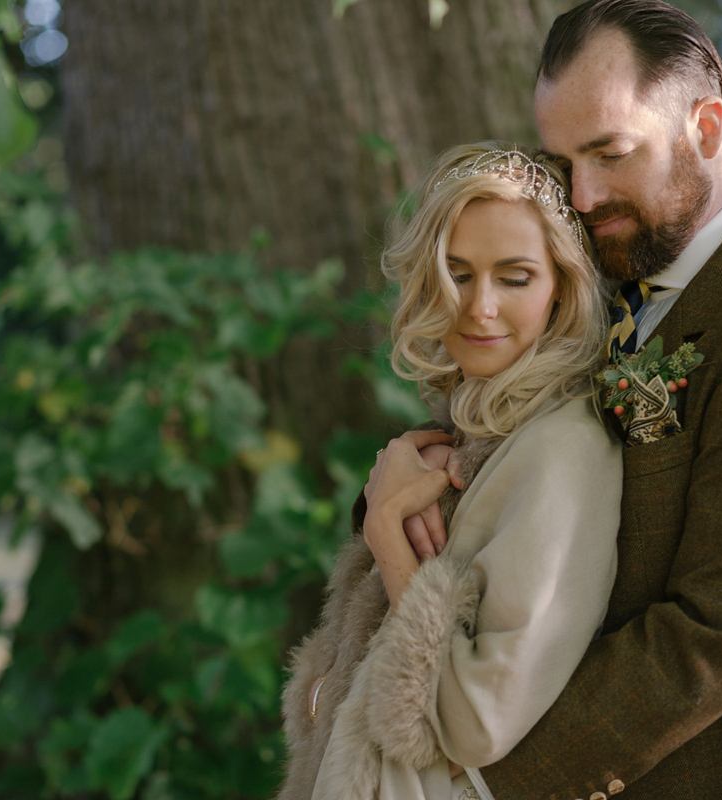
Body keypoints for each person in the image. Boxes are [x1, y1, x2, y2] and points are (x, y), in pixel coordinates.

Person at [406, 2, 722, 797]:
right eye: (564, 164)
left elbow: (714, 633)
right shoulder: (596, 274)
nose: (584, 196)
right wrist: (397, 474)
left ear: (705, 126)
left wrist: (489, 782)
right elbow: (493, 438)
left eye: (611, 152)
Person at [275, 144, 622, 800]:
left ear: (562, 287)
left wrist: (387, 532)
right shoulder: (475, 428)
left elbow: (478, 721)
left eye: (514, 277)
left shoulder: (565, 451)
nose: (478, 308)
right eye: (457, 273)